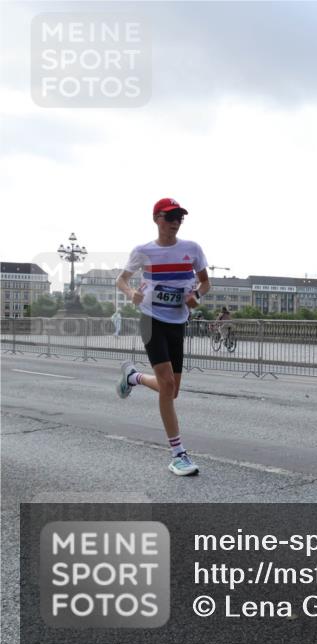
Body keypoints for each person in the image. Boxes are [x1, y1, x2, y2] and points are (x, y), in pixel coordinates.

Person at [115, 198, 210, 476]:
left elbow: (205, 282)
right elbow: (121, 279)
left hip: (177, 321)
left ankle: (134, 377)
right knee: (168, 384)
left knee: (172, 391)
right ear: (157, 219)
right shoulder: (143, 251)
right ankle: (178, 454)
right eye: (170, 217)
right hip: (151, 320)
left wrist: (196, 297)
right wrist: (131, 293)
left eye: (179, 218)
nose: (175, 222)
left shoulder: (192, 249)